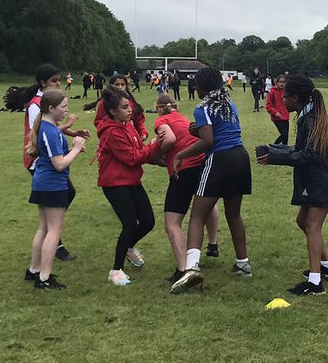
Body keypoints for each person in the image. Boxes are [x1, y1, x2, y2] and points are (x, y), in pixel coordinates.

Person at [257, 74, 328, 296]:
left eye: (285, 96)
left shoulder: (312, 120)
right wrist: (275, 150)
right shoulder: (306, 116)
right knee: (303, 221)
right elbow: (302, 151)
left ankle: (315, 283)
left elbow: (308, 155)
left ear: (296, 98)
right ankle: (327, 266)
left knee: (312, 226)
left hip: (324, 180)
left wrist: (275, 157)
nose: (282, 100)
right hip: (318, 178)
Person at [169, 66, 253, 293]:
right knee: (233, 213)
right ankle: (243, 264)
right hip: (240, 157)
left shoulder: (202, 107)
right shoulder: (228, 104)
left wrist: (180, 154)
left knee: (197, 216)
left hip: (220, 160)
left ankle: (191, 269)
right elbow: (222, 131)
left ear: (202, 87)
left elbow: (208, 141)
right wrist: (201, 132)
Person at [5, 63, 87, 263]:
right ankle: (54, 241)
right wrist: (73, 144)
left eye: (59, 80)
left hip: (47, 159)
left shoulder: (49, 101)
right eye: (54, 81)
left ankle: (52, 235)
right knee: (62, 198)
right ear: (43, 82)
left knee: (65, 195)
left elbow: (55, 125)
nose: (58, 84)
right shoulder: (36, 105)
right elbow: (44, 131)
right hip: (38, 160)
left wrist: (72, 132)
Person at [96, 87, 174, 285]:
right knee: (129, 223)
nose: (130, 110)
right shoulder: (111, 132)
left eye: (129, 105)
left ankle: (128, 247)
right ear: (113, 111)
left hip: (131, 180)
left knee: (148, 221)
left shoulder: (127, 125)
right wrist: (156, 145)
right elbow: (132, 158)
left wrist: (158, 156)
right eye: (124, 107)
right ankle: (116, 270)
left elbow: (139, 149)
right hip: (114, 183)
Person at [155, 92, 222, 284]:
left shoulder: (162, 120)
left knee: (172, 223)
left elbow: (169, 139)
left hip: (184, 169)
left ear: (160, 108)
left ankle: (184, 269)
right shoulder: (183, 118)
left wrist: (157, 151)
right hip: (202, 164)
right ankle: (212, 243)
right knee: (206, 203)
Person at [25, 89, 86, 289]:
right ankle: (44, 277)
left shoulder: (47, 127)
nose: (66, 111)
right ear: (51, 109)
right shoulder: (50, 131)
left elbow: (55, 156)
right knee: (54, 230)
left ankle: (34, 270)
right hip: (52, 185)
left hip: (44, 183)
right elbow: (59, 164)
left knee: (43, 228)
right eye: (63, 107)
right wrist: (75, 149)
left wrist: (70, 149)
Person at [85, 73, 147, 142]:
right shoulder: (105, 103)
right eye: (117, 84)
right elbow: (99, 121)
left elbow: (139, 121)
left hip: (131, 138)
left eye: (122, 84)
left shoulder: (131, 102)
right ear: (111, 86)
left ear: (126, 86)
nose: (120, 87)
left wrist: (143, 133)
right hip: (113, 139)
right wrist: (109, 132)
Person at [266, 73, 290, 145]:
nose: (282, 84)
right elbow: (268, 106)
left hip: (285, 116)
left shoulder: (287, 92)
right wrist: (275, 112)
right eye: (280, 82)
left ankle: (284, 152)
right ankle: (272, 148)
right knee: (284, 135)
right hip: (277, 117)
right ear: (277, 82)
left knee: (286, 138)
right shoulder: (272, 92)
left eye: (283, 82)